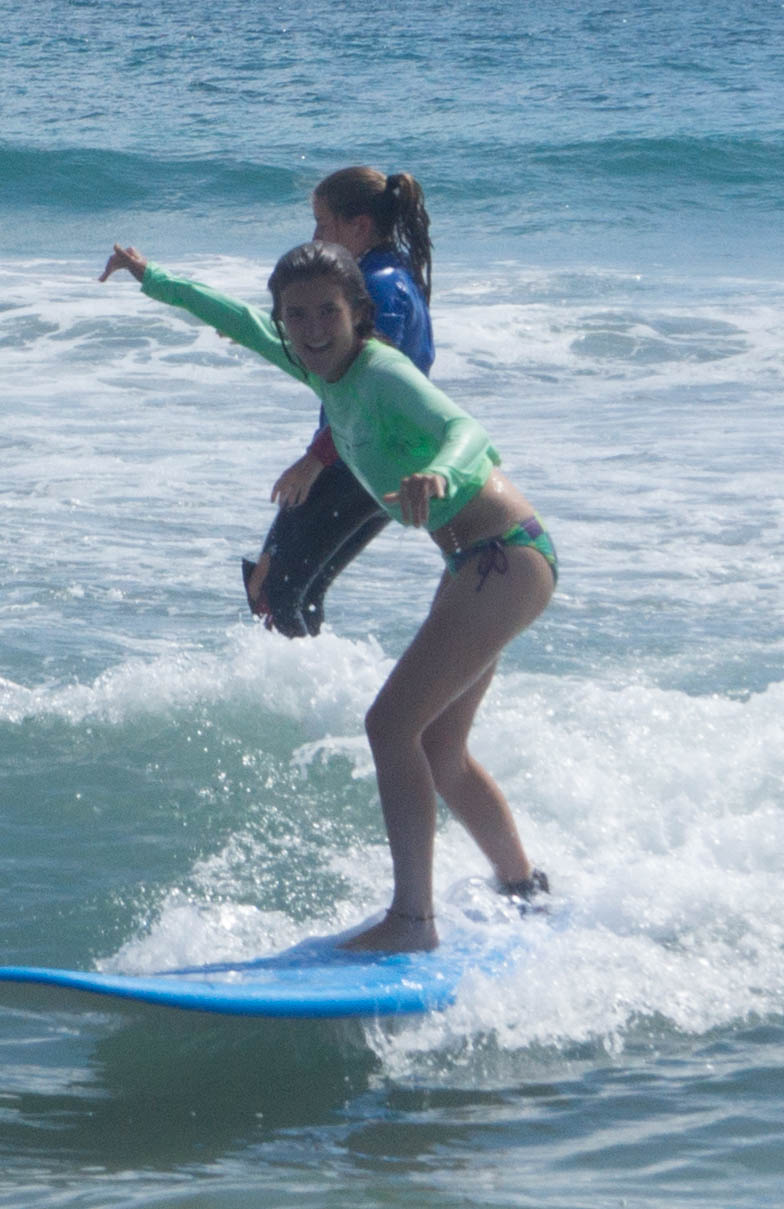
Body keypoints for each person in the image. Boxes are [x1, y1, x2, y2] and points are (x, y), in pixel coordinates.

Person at [99, 240, 557, 954]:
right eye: (297, 315)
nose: (312, 328)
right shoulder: (322, 371)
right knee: (440, 746)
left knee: (390, 726)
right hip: (479, 561)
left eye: (328, 313)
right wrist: (150, 277)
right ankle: (523, 886)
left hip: (505, 557)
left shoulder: (380, 371)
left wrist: (440, 471)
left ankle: (412, 921)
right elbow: (239, 320)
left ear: (357, 315)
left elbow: (468, 432)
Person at [244, 167, 435, 637]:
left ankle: (298, 680)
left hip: (357, 456)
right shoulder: (391, 275)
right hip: (368, 454)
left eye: (322, 223)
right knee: (297, 589)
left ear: (360, 226)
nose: (314, 236)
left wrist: (315, 460)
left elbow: (368, 395)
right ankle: (316, 679)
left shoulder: (378, 288)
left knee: (273, 589)